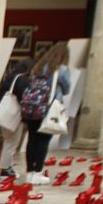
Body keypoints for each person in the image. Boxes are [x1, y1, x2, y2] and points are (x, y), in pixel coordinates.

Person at [15, 42, 71, 185]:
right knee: (43, 140)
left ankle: (29, 172)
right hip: (48, 107)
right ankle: (38, 172)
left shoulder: (38, 66)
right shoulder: (62, 69)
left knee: (32, 139)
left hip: (32, 107)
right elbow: (66, 88)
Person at [0, 59, 31, 179]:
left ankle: (7, 166)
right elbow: (24, 99)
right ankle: (5, 169)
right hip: (14, 115)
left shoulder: (10, 77)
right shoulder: (22, 80)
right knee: (11, 142)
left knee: (8, 140)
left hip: (5, 113)